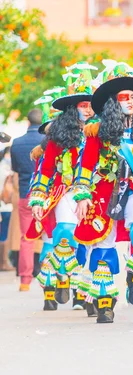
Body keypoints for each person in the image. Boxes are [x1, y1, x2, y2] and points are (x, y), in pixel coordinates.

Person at [72, 61, 133, 323]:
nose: (130, 102)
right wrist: (82, 195)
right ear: (114, 101)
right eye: (124, 97)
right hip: (105, 192)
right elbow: (86, 165)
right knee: (103, 246)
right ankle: (105, 302)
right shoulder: (97, 132)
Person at [27, 63, 97, 311]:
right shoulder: (59, 136)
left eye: (91, 104)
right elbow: (45, 169)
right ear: (73, 108)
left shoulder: (102, 133)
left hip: (96, 196)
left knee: (91, 244)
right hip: (65, 193)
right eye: (82, 105)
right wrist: (37, 197)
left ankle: (85, 291)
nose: (88, 110)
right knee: (66, 235)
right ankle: (62, 278)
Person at [10, 108, 44, 291]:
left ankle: (25, 280)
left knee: (26, 238)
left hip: (25, 194)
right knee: (49, 236)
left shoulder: (16, 143)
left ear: (28, 122)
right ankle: (51, 278)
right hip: (45, 195)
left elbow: (15, 169)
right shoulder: (46, 141)